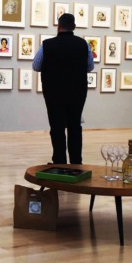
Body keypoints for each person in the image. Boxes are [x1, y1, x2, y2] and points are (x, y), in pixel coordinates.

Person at [32, 13, 94, 165]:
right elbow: (90, 67)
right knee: (75, 127)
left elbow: (36, 66)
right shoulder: (83, 44)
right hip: (77, 93)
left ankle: (59, 161)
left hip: (53, 93)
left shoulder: (47, 45)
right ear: (74, 27)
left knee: (57, 127)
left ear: (58, 26)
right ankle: (76, 162)